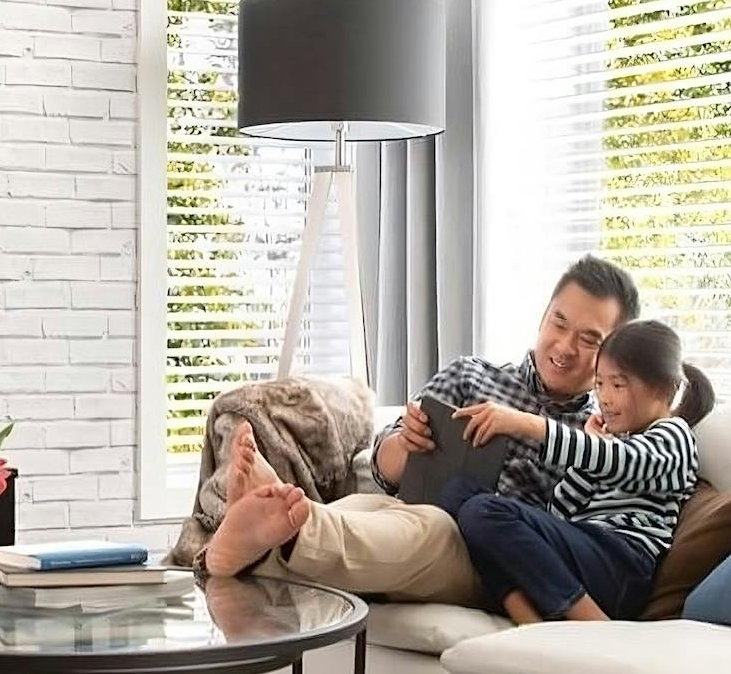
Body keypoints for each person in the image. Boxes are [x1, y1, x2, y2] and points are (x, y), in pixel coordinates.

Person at [203, 256, 639, 603]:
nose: (564, 347)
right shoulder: (471, 376)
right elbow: (379, 468)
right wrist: (404, 446)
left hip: (481, 553)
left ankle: (284, 524)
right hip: (402, 506)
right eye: (559, 323)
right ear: (544, 316)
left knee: (429, 529)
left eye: (589, 340)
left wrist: (589, 457)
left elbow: (576, 536)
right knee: (361, 508)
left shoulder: (603, 436)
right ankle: (247, 545)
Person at [446, 320, 714, 624]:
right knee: (460, 494)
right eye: (600, 384)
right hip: (584, 553)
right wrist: (589, 458)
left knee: (485, 512)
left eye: (618, 384)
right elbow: (561, 511)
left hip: (621, 567)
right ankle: (527, 618)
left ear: (665, 388)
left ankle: (595, 626)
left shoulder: (674, 435)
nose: (605, 398)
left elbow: (627, 462)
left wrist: (530, 425)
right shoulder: (613, 447)